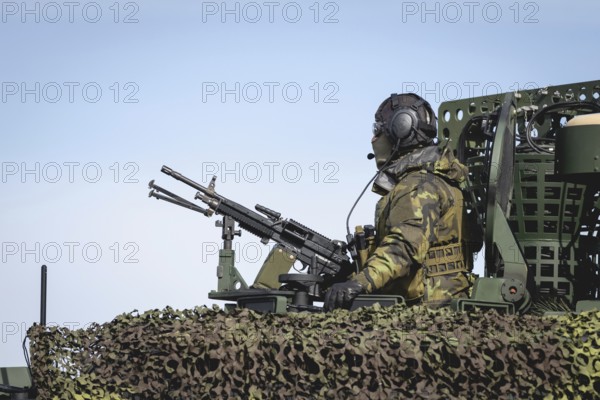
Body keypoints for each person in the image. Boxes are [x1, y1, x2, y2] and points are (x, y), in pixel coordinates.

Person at [324, 93, 480, 311]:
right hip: (437, 303)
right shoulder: (430, 180)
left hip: (430, 310)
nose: (373, 139)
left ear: (401, 130)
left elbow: (403, 248)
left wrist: (359, 283)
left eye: (377, 130)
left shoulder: (419, 187)